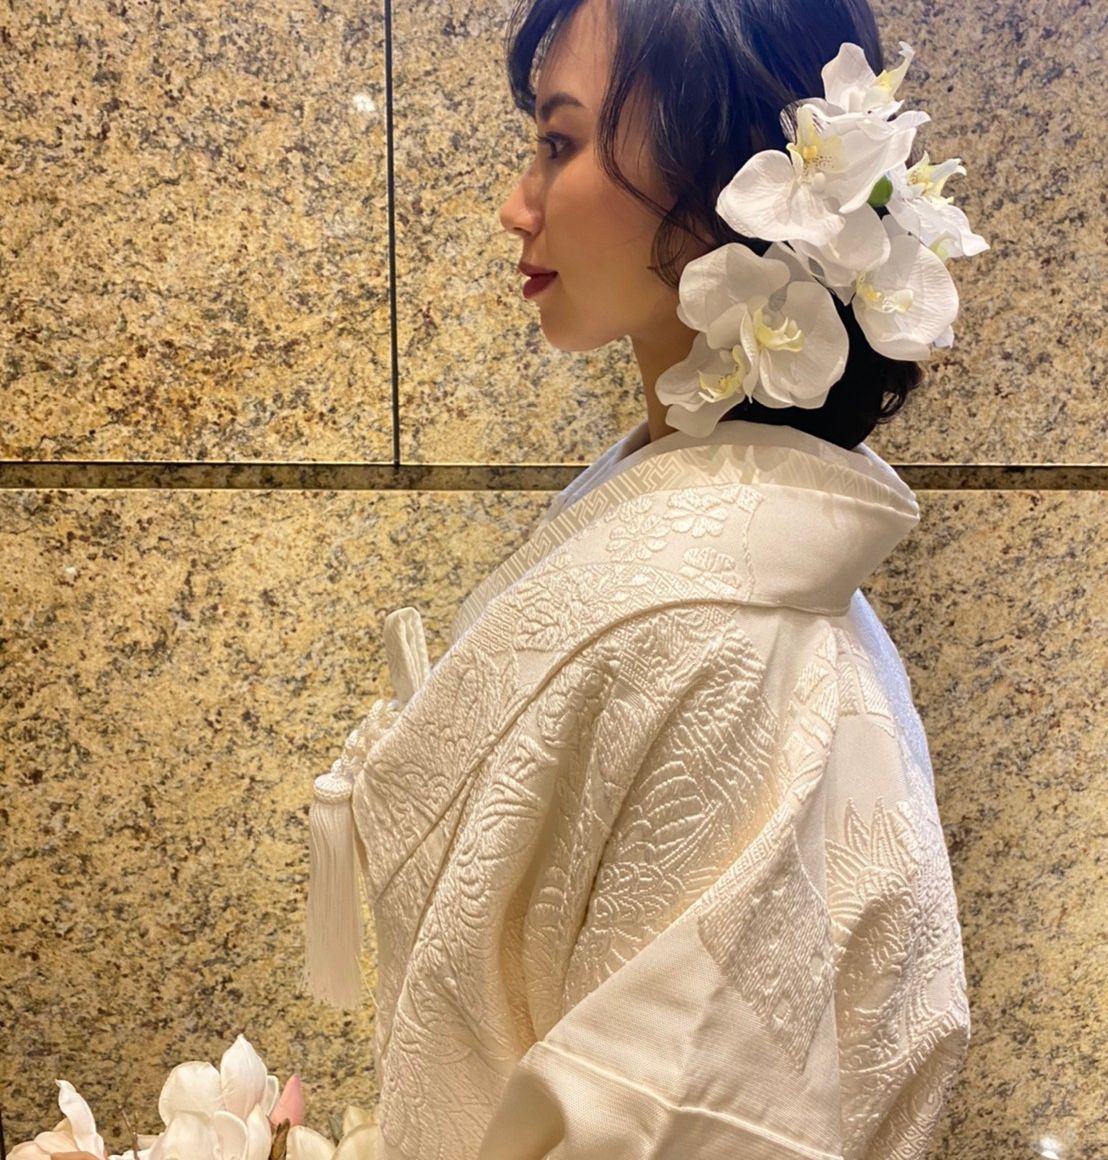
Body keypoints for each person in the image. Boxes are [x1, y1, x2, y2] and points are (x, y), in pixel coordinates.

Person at [304, 0, 988, 1156]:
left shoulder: (745, 639)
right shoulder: (673, 529)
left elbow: (694, 1113)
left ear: (722, 178)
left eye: (559, 142)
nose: (516, 202)